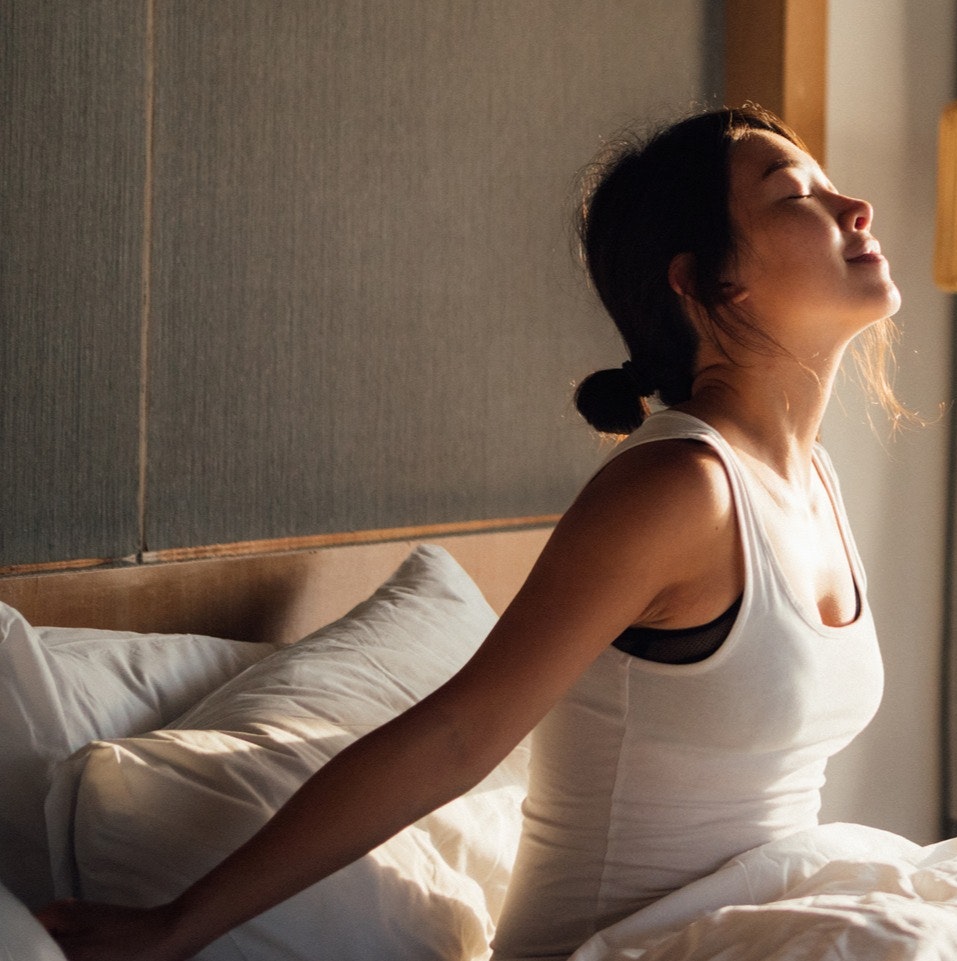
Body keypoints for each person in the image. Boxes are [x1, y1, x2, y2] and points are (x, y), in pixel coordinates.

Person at [36, 106, 904, 961]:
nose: (855, 208)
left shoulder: (812, 479)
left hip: (750, 927)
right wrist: (177, 926)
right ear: (706, 282)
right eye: (795, 194)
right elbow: (458, 734)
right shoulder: (679, 489)